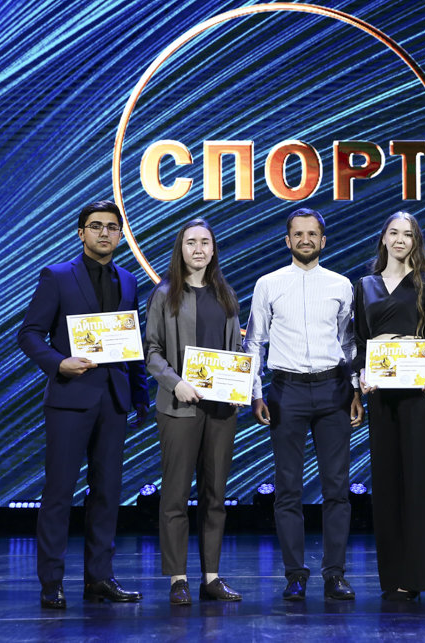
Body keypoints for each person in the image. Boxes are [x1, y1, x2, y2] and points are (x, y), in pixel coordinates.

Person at [17, 199, 149, 609]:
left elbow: (131, 342)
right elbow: (29, 334)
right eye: (96, 226)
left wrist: (140, 394)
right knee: (59, 493)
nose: (104, 233)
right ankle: (51, 582)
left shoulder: (129, 280)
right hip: (70, 399)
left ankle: (99, 579)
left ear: (121, 235)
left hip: (114, 400)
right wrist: (59, 363)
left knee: (107, 493)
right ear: (81, 233)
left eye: (112, 227)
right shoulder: (57, 276)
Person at [244, 207, 364, 601]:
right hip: (286, 391)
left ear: (323, 240)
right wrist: (255, 392)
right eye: (298, 234)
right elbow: (254, 342)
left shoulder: (341, 285)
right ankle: (295, 574)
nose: (306, 239)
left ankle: (335, 574)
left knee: (337, 488)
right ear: (288, 240)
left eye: (312, 233)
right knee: (288, 489)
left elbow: (348, 343)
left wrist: (355, 389)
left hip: (333, 390)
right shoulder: (268, 284)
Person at [144, 219, 244, 605]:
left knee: (215, 494)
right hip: (178, 407)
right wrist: (175, 383)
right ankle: (178, 579)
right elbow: (151, 350)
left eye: (205, 242)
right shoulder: (164, 293)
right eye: (191, 242)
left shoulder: (225, 294)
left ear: (213, 249)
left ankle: (211, 577)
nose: (198, 249)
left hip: (221, 411)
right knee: (175, 495)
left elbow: (236, 350)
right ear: (181, 249)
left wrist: (239, 386)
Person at [353, 212, 425, 601]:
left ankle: (417, 574)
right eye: (394, 232)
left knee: (418, 483)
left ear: (416, 241)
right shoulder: (365, 285)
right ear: (384, 238)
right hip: (381, 393)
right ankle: (392, 576)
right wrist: (361, 374)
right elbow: (360, 341)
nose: (401, 239)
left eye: (408, 234)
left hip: (417, 394)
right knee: (387, 483)